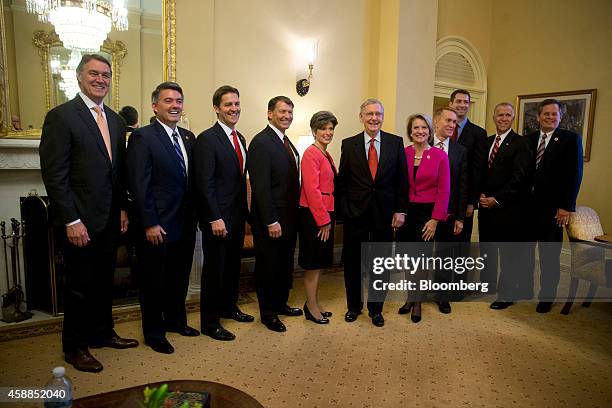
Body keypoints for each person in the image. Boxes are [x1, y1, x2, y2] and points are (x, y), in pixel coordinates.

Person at [39, 54, 137, 373]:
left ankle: (102, 332)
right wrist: (71, 219)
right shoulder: (62, 116)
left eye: (106, 75)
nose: (100, 79)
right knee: (78, 286)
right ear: (79, 77)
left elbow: (117, 172)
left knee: (103, 282)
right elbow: (55, 175)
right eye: (93, 74)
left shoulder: (116, 120)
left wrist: (122, 208)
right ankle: (75, 347)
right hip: (79, 220)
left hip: (110, 219)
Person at [126, 82, 199, 354]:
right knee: (153, 282)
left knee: (179, 278)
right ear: (155, 106)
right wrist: (150, 222)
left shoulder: (189, 138)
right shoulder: (143, 137)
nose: (175, 105)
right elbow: (139, 183)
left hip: (185, 222)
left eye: (179, 100)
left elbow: (192, 182)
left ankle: (176, 322)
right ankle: (154, 333)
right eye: (168, 101)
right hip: (157, 225)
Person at [336, 98, 408, 327]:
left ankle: (376, 309)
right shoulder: (349, 144)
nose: (373, 118)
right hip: (355, 215)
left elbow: (401, 181)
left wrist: (400, 210)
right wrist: (345, 210)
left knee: (381, 264)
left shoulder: (395, 143)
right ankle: (353, 307)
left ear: (382, 117)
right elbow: (343, 182)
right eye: (369, 114)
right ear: (361, 117)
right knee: (353, 264)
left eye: (377, 114)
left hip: (384, 215)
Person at [194, 85, 253, 341]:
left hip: (237, 216)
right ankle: (209, 322)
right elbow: (204, 183)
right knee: (214, 271)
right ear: (217, 108)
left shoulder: (240, 138)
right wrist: (214, 217)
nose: (234, 109)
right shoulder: (207, 139)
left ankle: (229, 308)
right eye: (228, 105)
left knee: (231, 267)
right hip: (217, 218)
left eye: (237, 104)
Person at [247, 96, 302, 332]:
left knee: (283, 264)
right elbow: (261, 188)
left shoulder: (285, 141)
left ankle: (280, 304)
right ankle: (268, 313)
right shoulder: (261, 142)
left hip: (289, 217)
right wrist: (271, 220)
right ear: (270, 113)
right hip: (271, 219)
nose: (287, 116)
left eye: (290, 112)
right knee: (268, 266)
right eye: (282, 111)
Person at [526, 99, 583, 313]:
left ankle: (546, 296)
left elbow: (574, 175)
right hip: (528, 209)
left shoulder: (570, 139)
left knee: (550, 256)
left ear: (561, 117)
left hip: (553, 210)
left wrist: (566, 206)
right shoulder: (529, 139)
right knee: (526, 253)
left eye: (554, 114)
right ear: (539, 116)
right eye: (546, 114)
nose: (550, 117)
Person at [476, 103, 534, 310]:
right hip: (485, 207)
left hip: (508, 209)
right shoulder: (487, 142)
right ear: (493, 117)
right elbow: (481, 172)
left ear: (513, 118)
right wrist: (480, 194)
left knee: (508, 254)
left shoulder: (521, 143)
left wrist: (497, 199)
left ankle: (506, 294)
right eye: (500, 114)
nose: (503, 118)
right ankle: (487, 285)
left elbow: (519, 178)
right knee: (488, 249)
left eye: (508, 115)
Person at [397, 114, 450, 323]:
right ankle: (411, 296)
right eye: (415, 128)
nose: (420, 131)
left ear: (429, 131)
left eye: (423, 128)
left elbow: (444, 190)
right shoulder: (404, 154)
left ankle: (418, 301)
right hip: (405, 213)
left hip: (427, 214)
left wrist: (435, 219)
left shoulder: (439, 155)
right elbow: (397, 186)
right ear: (410, 132)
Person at [298, 111, 338, 325]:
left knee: (320, 262)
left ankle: (312, 302)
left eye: (331, 128)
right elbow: (311, 190)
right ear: (314, 131)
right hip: (315, 216)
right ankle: (311, 307)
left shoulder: (325, 153)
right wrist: (323, 221)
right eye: (323, 128)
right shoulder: (310, 153)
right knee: (313, 263)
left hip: (325, 212)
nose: (328, 132)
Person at [431, 107, 468, 313]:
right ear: (436, 121)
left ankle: (442, 295)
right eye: (447, 120)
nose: (451, 125)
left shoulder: (460, 151)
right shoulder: (423, 145)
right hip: (425, 211)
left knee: (445, 255)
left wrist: (460, 217)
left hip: (449, 211)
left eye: (454, 122)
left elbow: (463, 186)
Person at [448, 90, 487, 243]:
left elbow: (478, 170)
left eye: (466, 102)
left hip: (464, 199)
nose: (462, 105)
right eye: (459, 101)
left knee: (461, 243)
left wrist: (472, 201)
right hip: (441, 197)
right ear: (451, 104)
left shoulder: (478, 133)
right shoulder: (439, 132)